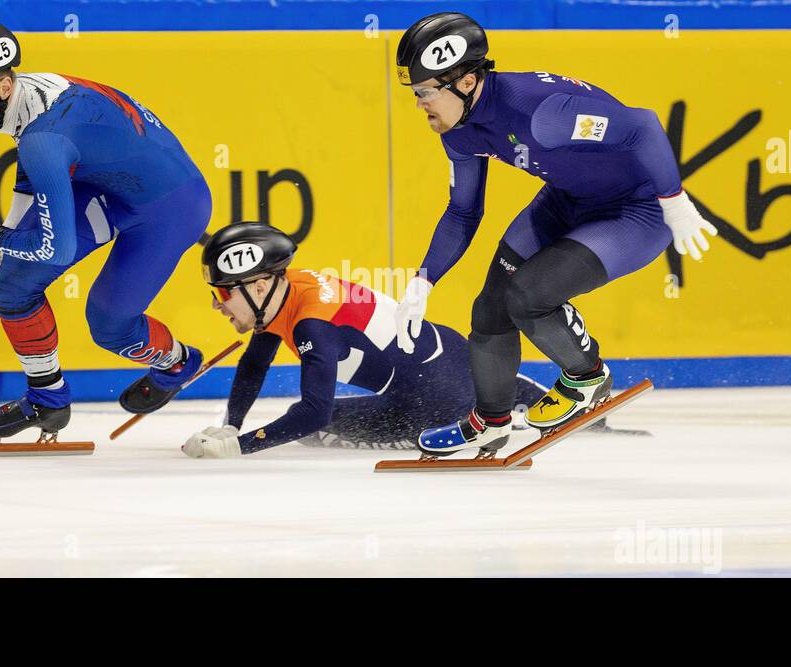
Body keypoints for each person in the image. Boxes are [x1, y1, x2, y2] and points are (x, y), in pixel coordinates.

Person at [390, 13, 716, 457]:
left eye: (425, 92)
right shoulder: (460, 132)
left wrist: (673, 201)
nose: (419, 104)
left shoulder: (542, 114)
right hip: (568, 200)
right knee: (489, 310)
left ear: (465, 82)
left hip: (634, 211)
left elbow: (641, 124)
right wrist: (424, 279)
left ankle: (587, 376)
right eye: (415, 93)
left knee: (528, 296)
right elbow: (463, 211)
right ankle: (490, 421)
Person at [0, 19, 212, 441]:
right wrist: (7, 236)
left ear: (4, 86)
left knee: (109, 327)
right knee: (12, 286)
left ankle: (178, 362)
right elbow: (38, 171)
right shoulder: (31, 98)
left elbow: (55, 248)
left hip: (171, 208)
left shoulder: (45, 139)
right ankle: (48, 399)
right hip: (105, 182)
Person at [181, 223, 547, 458]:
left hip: (431, 403)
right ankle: (532, 397)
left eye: (222, 293)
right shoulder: (286, 287)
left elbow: (314, 413)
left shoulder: (313, 325)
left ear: (259, 286)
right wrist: (233, 423)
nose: (216, 305)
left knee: (315, 428)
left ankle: (483, 410)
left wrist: (238, 446)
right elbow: (255, 362)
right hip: (457, 355)